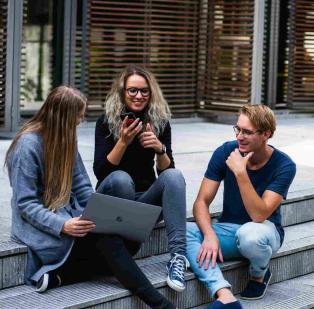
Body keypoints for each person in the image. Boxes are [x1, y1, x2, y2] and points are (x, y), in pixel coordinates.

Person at [5, 86, 175, 309]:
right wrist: (63, 224)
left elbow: (83, 187)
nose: (80, 121)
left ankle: (63, 274)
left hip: (71, 218)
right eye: (77, 117)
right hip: (42, 227)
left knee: (121, 234)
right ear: (62, 117)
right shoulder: (27, 146)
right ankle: (161, 305)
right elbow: (26, 204)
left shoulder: (66, 139)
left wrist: (99, 213)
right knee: (109, 242)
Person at [186, 104, 296, 309]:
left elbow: (259, 214)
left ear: (266, 134)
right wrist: (209, 236)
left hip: (264, 231)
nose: (239, 136)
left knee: (250, 235)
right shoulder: (226, 151)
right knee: (184, 231)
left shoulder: (284, 165)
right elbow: (201, 202)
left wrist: (241, 173)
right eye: (237, 129)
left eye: (247, 132)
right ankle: (224, 295)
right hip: (228, 229)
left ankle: (258, 275)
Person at [93, 64, 188, 292]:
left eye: (144, 91)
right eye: (132, 90)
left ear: (151, 92)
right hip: (113, 201)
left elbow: (167, 174)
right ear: (123, 92)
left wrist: (159, 149)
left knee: (175, 176)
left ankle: (178, 258)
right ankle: (123, 249)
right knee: (121, 179)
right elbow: (101, 172)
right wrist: (123, 142)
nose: (138, 96)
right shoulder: (106, 121)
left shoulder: (159, 121)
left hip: (144, 202)